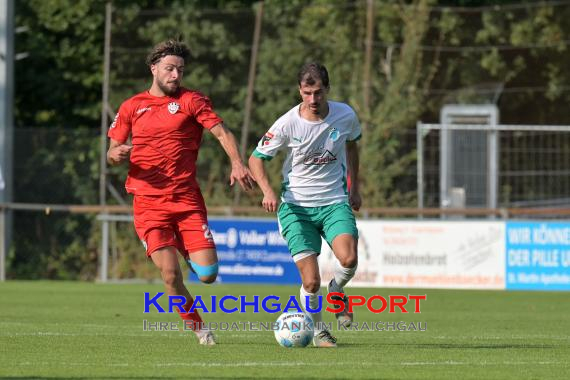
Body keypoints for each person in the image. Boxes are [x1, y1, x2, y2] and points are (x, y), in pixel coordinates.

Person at [107, 39, 255, 346]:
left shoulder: (192, 101)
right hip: (148, 204)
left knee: (208, 275)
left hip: (187, 202)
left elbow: (221, 132)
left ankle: (188, 250)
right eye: (170, 69)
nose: (176, 75)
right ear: (154, 69)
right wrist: (116, 154)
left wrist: (237, 163)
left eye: (180, 70)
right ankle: (201, 330)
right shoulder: (132, 106)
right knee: (171, 276)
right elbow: (111, 150)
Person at [249, 62, 361, 348]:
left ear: (327, 90)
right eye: (307, 93)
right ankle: (321, 332)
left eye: (319, 92)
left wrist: (354, 187)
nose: (313, 99)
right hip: (296, 208)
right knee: (310, 282)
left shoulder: (345, 115)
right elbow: (255, 158)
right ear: (300, 91)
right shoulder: (288, 123)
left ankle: (336, 289)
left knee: (348, 259)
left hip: (334, 201)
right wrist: (267, 191)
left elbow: (352, 145)